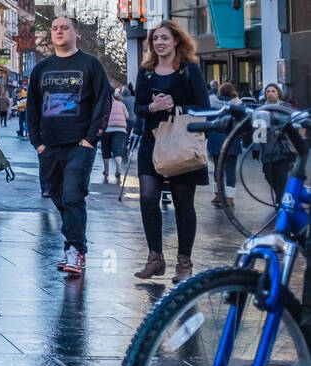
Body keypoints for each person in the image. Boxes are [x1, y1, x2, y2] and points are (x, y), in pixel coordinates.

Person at [26, 15, 113, 276]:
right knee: (58, 195)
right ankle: (77, 244)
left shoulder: (91, 65)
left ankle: (74, 249)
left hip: (79, 144)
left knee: (74, 195)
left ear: (76, 33)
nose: (59, 31)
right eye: (55, 28)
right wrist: (37, 142)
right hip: (49, 146)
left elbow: (103, 103)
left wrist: (90, 140)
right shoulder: (42, 68)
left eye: (65, 28)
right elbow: (32, 106)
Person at [132, 21, 210, 282]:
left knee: (183, 202)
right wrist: (153, 108)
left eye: (164, 38)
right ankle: (155, 258)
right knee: (147, 197)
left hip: (181, 143)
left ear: (176, 40)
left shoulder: (189, 70)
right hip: (152, 141)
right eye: (155, 39)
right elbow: (139, 108)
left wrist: (175, 106)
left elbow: (203, 106)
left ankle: (184, 262)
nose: (159, 43)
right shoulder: (146, 71)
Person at [257, 83, 297, 206]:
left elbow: (293, 126)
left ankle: (280, 201)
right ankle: (280, 196)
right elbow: (258, 131)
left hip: (282, 150)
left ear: (278, 93)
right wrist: (256, 148)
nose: (270, 94)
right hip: (267, 150)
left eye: (273, 91)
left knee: (282, 177)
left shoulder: (285, 108)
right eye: (268, 91)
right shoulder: (261, 109)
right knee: (269, 175)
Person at [209, 82, 241, 208]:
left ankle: (218, 194)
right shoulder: (238, 105)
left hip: (216, 140)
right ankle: (230, 198)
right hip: (232, 140)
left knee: (218, 169)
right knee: (231, 170)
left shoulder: (212, 103)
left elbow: (208, 120)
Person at [102, 90, 130, 184]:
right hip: (120, 130)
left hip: (106, 129)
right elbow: (127, 116)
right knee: (118, 150)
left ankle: (106, 170)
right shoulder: (121, 104)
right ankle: (119, 168)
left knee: (106, 149)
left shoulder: (103, 104)